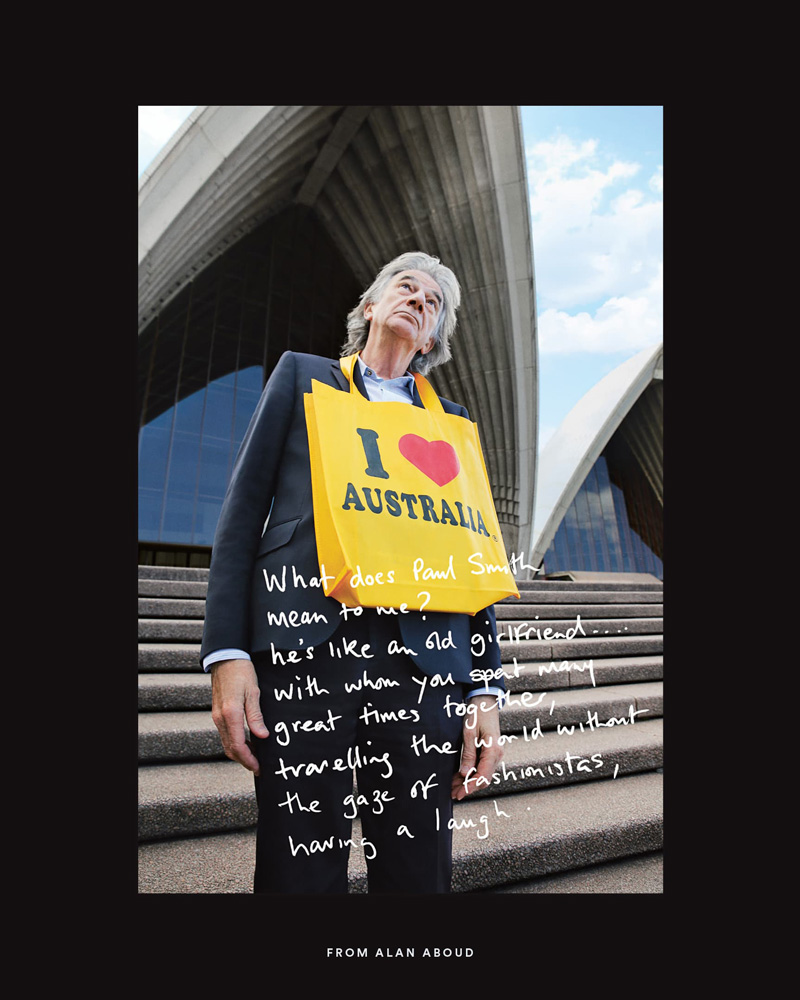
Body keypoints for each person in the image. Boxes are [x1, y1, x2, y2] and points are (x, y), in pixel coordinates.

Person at [201, 251, 507, 894]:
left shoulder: (450, 428)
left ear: (432, 340)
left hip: (423, 664)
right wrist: (227, 652)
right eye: (407, 287)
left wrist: (485, 687)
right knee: (298, 868)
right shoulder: (302, 379)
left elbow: (470, 561)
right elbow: (241, 517)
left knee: (418, 872)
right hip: (306, 646)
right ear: (370, 305)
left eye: (434, 305)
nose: (419, 301)